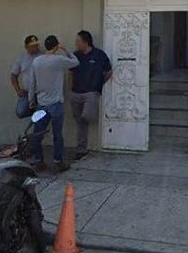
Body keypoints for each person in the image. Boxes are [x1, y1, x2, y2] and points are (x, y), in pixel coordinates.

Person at [29, 35, 80, 172]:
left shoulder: (36, 61)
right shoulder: (59, 60)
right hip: (56, 103)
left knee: (37, 134)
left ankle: (39, 160)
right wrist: (66, 49)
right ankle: (58, 161)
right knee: (57, 134)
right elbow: (76, 62)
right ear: (56, 46)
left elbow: (32, 83)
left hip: (41, 103)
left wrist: (31, 100)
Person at [70, 30, 112, 160]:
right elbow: (70, 72)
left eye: (78, 41)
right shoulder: (75, 56)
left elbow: (109, 71)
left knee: (86, 117)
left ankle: (82, 145)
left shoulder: (99, 55)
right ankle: (81, 149)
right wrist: (71, 86)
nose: (76, 43)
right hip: (76, 92)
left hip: (91, 92)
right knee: (79, 122)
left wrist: (100, 83)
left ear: (85, 42)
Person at [10, 35, 42, 119]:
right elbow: (13, 75)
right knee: (20, 112)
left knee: (41, 116)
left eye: (36, 45)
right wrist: (18, 90)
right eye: (32, 46)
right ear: (26, 47)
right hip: (27, 92)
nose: (35, 48)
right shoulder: (21, 58)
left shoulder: (42, 56)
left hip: (41, 92)